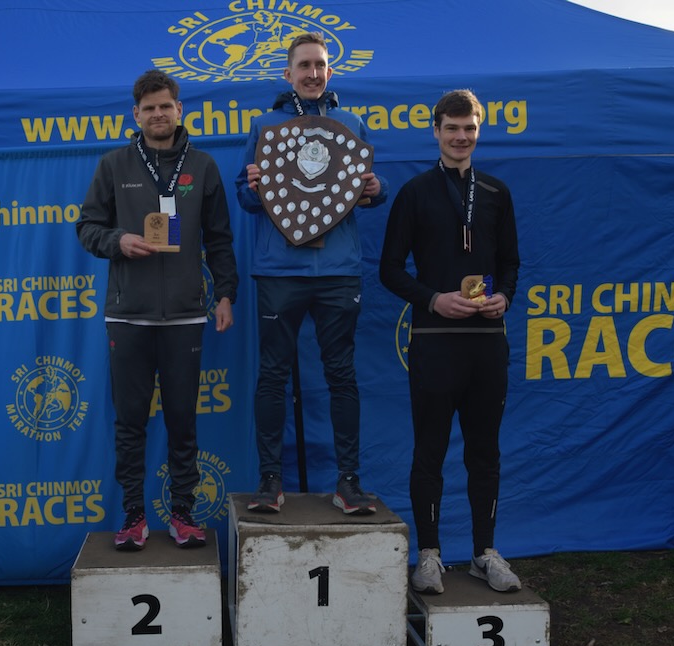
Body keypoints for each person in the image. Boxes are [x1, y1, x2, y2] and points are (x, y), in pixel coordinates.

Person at [77, 69, 238, 551]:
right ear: (136, 115)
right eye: (148, 108)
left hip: (186, 316)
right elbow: (86, 227)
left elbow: (221, 240)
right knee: (129, 422)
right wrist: (118, 241)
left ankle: (183, 515)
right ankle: (132, 517)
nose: (158, 114)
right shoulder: (114, 165)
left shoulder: (203, 167)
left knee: (182, 421)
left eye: (165, 106)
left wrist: (225, 293)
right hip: (128, 317)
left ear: (179, 109)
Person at [235, 32, 388, 515]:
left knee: (341, 375)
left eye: (320, 65)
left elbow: (363, 191)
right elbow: (244, 195)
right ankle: (269, 481)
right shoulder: (266, 125)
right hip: (280, 271)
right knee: (272, 375)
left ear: (330, 71)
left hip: (339, 271)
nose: (313, 73)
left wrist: (375, 189)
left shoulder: (350, 122)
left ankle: (348, 482)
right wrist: (253, 186)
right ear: (288, 73)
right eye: (304, 66)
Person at [378, 89, 521, 593]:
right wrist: (432, 299)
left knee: (485, 453)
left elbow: (510, 264)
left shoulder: (498, 193)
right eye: (452, 128)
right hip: (435, 339)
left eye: (470, 129)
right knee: (430, 452)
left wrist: (504, 294)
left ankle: (485, 552)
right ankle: (430, 555)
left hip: (487, 344)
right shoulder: (415, 193)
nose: (461, 137)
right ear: (435, 131)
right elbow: (389, 270)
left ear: (478, 132)